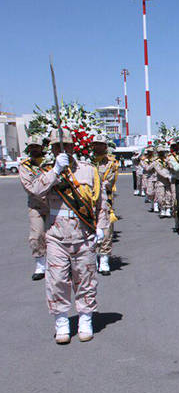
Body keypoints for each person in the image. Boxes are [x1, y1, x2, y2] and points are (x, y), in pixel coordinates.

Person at [30, 129, 108, 344]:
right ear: (52, 149)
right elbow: (35, 191)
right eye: (56, 146)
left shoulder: (88, 170)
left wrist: (101, 227)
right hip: (56, 235)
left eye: (65, 146)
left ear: (74, 147)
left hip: (83, 233)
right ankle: (62, 322)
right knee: (57, 281)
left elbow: (101, 202)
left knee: (85, 279)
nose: (61, 149)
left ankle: (85, 318)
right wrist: (56, 170)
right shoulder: (48, 172)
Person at [18, 135, 49, 280]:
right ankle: (40, 264)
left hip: (54, 204)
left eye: (36, 147)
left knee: (58, 235)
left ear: (42, 148)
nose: (34, 150)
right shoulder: (25, 166)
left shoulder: (50, 162)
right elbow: (29, 187)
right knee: (36, 235)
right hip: (36, 206)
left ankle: (60, 262)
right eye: (31, 147)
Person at [91, 135, 119, 276]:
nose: (98, 147)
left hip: (103, 200)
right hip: (87, 201)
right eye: (96, 144)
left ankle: (104, 259)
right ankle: (92, 257)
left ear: (105, 147)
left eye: (101, 144)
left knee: (106, 231)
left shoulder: (111, 164)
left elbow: (109, 181)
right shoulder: (86, 162)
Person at [153, 145, 172, 219]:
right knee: (160, 196)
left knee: (169, 195)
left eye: (162, 152)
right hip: (160, 181)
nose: (161, 153)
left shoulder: (167, 159)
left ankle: (168, 209)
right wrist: (167, 176)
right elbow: (159, 171)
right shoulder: (156, 161)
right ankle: (162, 209)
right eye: (160, 152)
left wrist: (168, 162)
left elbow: (171, 167)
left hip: (168, 181)